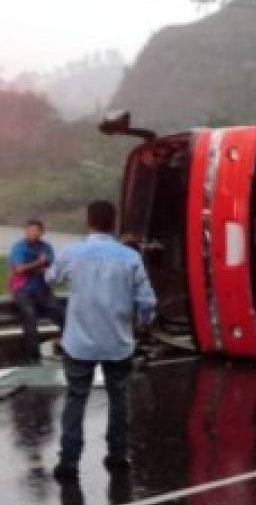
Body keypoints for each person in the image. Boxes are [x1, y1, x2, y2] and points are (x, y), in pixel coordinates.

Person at [47, 201, 157, 481]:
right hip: (117, 340)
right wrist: (143, 322)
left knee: (76, 398)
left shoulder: (72, 253)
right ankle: (117, 455)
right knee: (119, 397)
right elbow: (146, 300)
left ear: (89, 221)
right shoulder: (130, 257)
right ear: (114, 223)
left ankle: (69, 462)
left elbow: (52, 279)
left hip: (79, 340)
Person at [8, 220, 66, 364]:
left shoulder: (46, 247)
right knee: (29, 315)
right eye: (31, 230)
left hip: (43, 290)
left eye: (37, 230)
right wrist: (38, 264)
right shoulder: (19, 247)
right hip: (23, 290)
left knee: (63, 314)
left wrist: (34, 267)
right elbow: (18, 269)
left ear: (42, 232)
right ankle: (33, 356)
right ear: (25, 231)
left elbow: (51, 268)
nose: (34, 233)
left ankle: (67, 348)